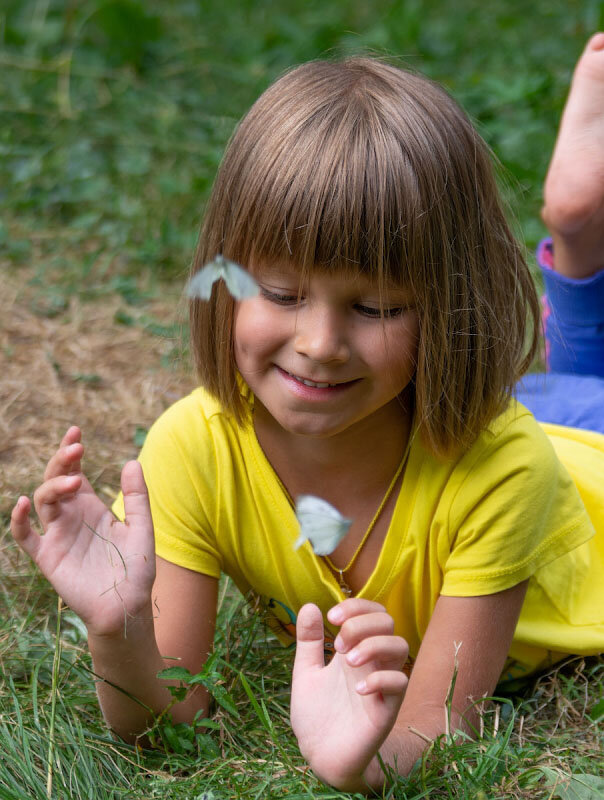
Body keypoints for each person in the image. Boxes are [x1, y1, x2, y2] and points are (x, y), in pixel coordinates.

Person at [10, 33, 604, 793]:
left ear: (449, 307)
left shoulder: (503, 472)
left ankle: (579, 237)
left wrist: (366, 769)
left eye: (376, 306)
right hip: (473, 411)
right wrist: (119, 630)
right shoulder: (192, 449)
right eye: (283, 295)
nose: (320, 345)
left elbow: (441, 728)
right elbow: (168, 717)